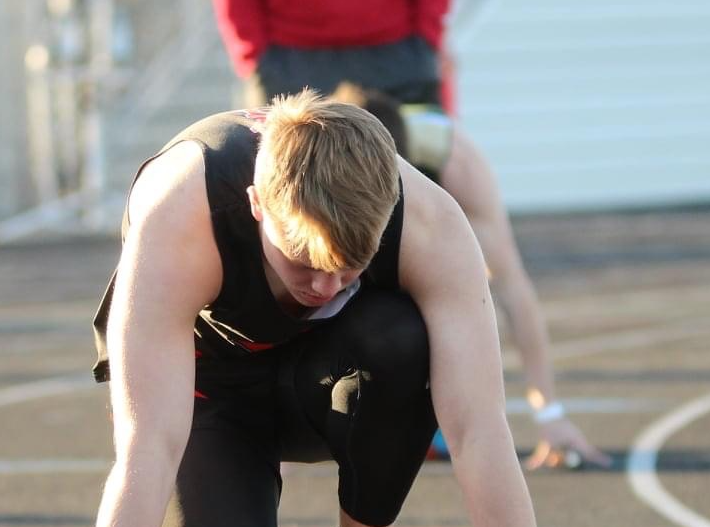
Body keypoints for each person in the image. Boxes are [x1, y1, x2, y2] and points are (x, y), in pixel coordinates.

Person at [0, 91, 649, 527]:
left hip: (325, 379)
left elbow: (479, 435)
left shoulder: (428, 221)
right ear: (257, 208)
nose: (323, 289)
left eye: (347, 270)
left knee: (400, 338)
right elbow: (147, 445)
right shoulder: (183, 207)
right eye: (303, 265)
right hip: (210, 382)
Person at [212, 0, 611, 470]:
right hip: (290, 61)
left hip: (399, 54)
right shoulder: (271, 157)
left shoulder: (453, 159)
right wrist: (254, 55)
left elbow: (509, 283)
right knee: (283, 257)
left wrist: (551, 412)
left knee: (429, 280)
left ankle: (410, 397)